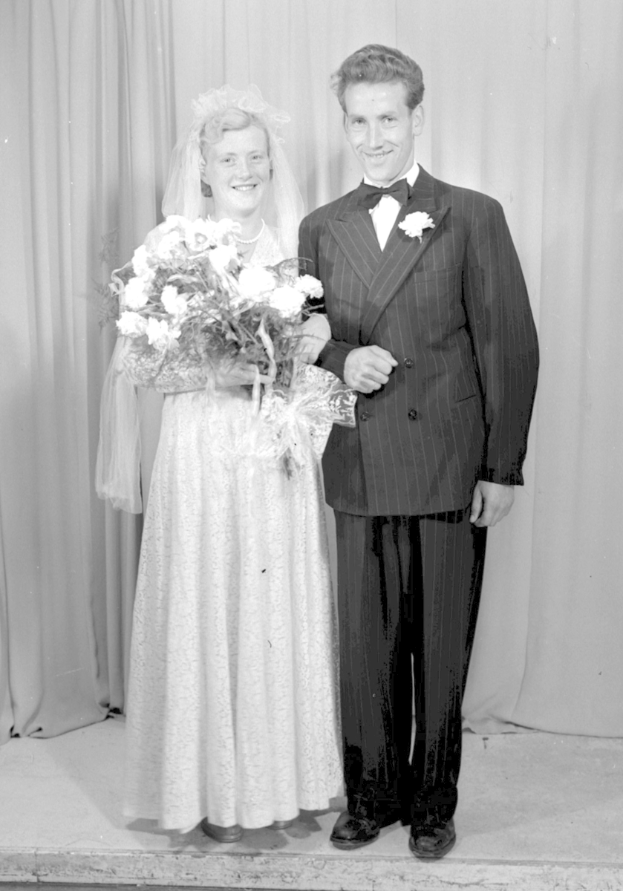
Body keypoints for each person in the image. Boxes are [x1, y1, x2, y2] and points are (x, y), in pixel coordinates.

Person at [299, 45, 539, 859]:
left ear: (416, 117)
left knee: (439, 645)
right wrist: (339, 359)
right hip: (359, 461)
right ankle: (370, 795)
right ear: (345, 123)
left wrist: (500, 466)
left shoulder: (471, 213)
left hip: (444, 461)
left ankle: (433, 802)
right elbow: (306, 338)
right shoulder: (319, 227)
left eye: (386, 118)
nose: (371, 137)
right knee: (364, 647)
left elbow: (508, 347)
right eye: (357, 120)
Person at [96, 86, 343, 840]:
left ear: (272, 164)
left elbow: (315, 363)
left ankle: (276, 785)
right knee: (205, 599)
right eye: (228, 159)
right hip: (200, 452)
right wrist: (222, 368)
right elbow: (144, 366)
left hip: (271, 451)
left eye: (255, 157)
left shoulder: (298, 253)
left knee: (269, 610)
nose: (244, 170)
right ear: (202, 169)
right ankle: (201, 789)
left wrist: (308, 350)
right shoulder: (170, 252)